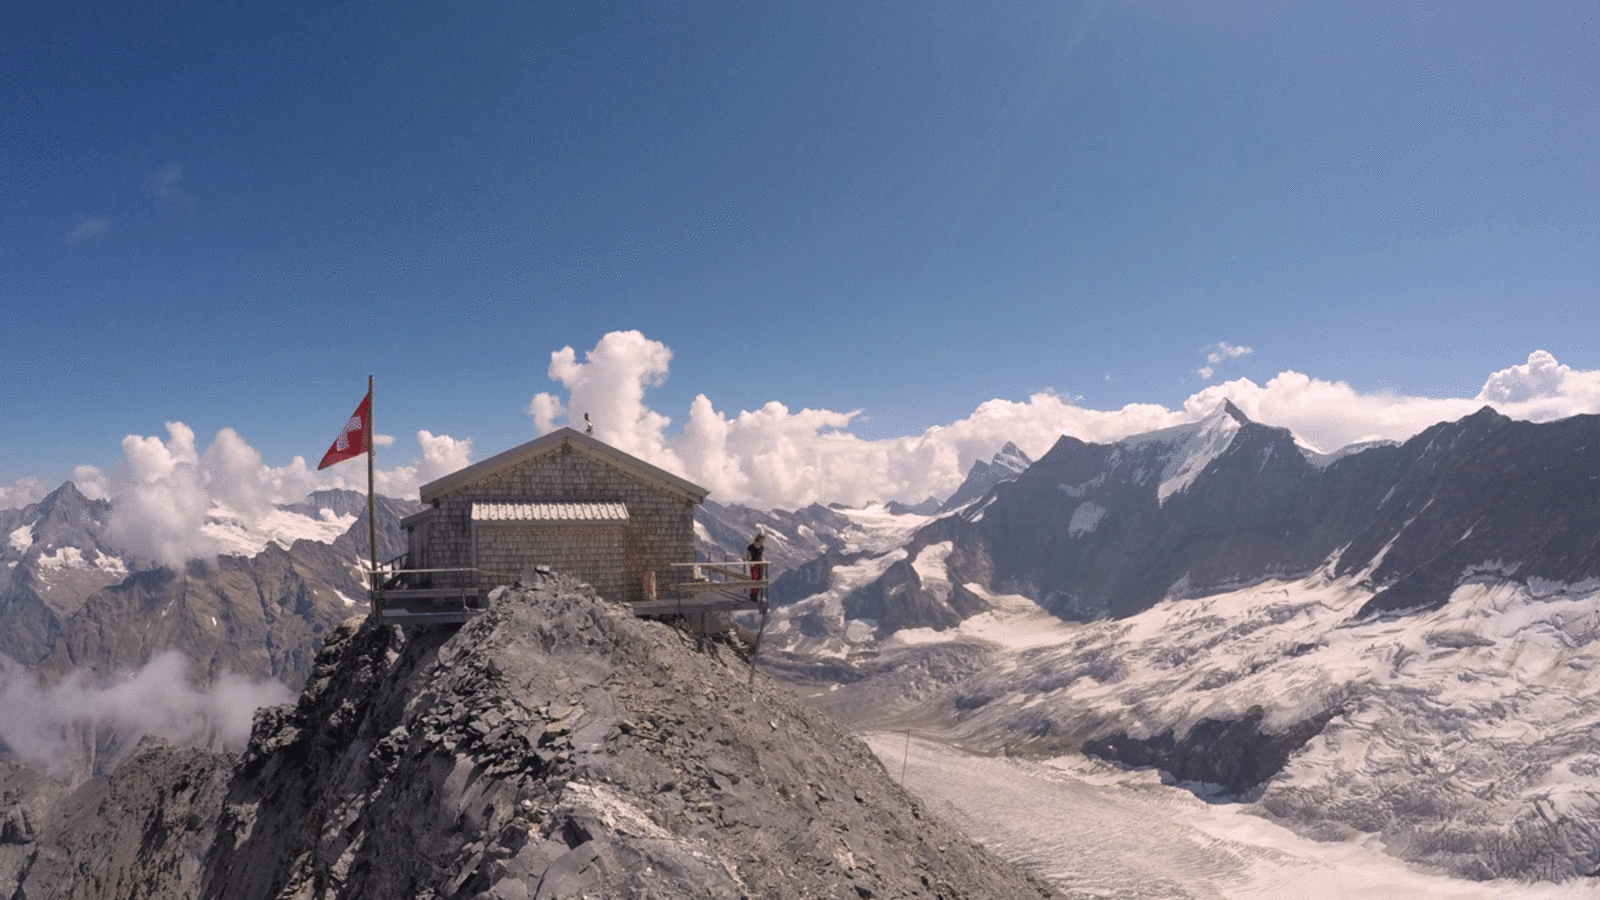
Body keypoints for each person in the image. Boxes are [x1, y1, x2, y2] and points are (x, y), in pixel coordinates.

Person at [746, 532, 765, 602]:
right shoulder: (751, 547)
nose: (762, 542)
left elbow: (762, 556)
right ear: (758, 539)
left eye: (763, 540)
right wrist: (751, 562)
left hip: (760, 565)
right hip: (754, 565)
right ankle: (752, 595)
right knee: (754, 580)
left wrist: (763, 562)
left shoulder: (762, 547)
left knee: (759, 580)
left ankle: (756, 596)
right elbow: (747, 556)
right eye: (761, 540)